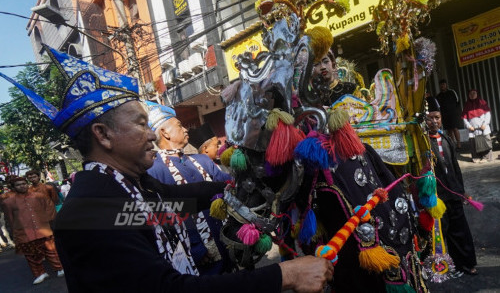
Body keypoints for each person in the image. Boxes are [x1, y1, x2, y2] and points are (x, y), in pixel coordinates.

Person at [0, 47, 332, 292]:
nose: (150, 134)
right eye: (140, 124)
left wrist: (249, 179)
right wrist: (285, 275)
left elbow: (182, 200)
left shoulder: (134, 188)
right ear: (103, 135)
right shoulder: (90, 211)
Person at [146, 103, 234, 275]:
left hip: (225, 240)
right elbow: (162, 218)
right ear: (165, 133)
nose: (186, 129)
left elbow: (228, 185)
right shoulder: (154, 172)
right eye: (179, 125)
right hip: (200, 257)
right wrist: (195, 249)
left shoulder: (202, 160)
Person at [425, 97, 478, 275]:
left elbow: (455, 168)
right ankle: (444, 267)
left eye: (437, 117)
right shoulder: (422, 143)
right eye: (430, 118)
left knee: (461, 230)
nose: (434, 122)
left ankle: (467, 263)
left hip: (454, 193)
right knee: (441, 233)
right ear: (425, 120)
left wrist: (461, 191)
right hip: (437, 197)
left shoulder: (446, 138)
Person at [1, 175, 64, 284]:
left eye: (24, 184)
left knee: (51, 251)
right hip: (25, 232)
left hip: (43, 228)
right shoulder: (8, 202)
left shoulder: (39, 196)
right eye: (18, 185)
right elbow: (10, 220)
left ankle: (59, 268)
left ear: (27, 184)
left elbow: (49, 210)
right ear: (13, 187)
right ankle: (40, 274)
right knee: (31, 255)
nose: (22, 186)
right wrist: (15, 233)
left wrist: (50, 224)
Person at [461, 89, 493, 163]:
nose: (472, 95)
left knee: (485, 141)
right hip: (472, 129)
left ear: (477, 94)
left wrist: (485, 124)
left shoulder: (482, 102)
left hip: (483, 127)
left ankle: (486, 157)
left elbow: (487, 114)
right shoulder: (466, 105)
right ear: (468, 95)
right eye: (470, 94)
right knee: (473, 143)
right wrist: (469, 126)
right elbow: (464, 118)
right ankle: (476, 157)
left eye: (474, 93)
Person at [436, 79, 462, 149]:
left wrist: (457, 112)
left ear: (446, 85)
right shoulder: (438, 96)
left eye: (444, 84)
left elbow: (457, 102)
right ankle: (452, 144)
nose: (442, 86)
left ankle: (459, 143)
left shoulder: (452, 92)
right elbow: (438, 107)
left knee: (455, 129)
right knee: (449, 130)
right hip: (445, 115)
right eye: (441, 85)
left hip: (453, 114)